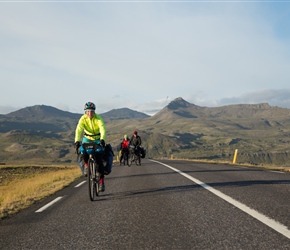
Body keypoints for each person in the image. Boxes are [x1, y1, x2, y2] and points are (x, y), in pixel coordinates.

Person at [74, 102, 107, 192]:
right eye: (87, 111)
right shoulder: (83, 119)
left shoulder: (98, 118)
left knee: (99, 157)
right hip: (87, 139)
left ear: (94, 111)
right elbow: (78, 129)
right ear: (85, 112)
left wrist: (102, 139)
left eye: (91, 111)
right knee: (82, 150)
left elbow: (102, 129)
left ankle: (101, 182)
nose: (89, 113)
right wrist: (77, 141)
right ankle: (86, 164)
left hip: (97, 139)